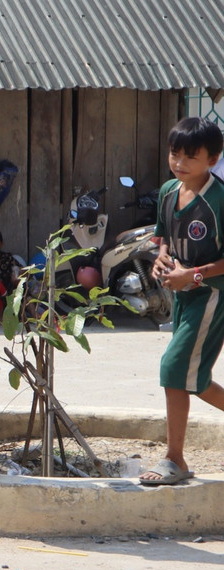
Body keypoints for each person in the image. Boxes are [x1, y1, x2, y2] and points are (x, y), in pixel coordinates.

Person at [140, 118, 224, 486]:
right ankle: (175, 458)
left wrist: (194, 275)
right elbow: (163, 239)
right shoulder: (169, 191)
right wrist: (160, 257)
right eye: (175, 153)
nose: (180, 162)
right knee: (194, 377)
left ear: (213, 159)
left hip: (211, 296)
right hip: (183, 297)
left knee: (175, 370)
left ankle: (175, 459)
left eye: (191, 156)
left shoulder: (219, 199)